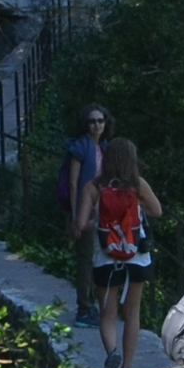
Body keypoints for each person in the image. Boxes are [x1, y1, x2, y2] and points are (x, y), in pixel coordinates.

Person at [87, 138, 164, 368]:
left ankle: (112, 355)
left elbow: (81, 222)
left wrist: (98, 222)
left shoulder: (94, 187)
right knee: (133, 312)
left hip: (105, 257)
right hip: (136, 256)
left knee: (107, 313)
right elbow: (157, 211)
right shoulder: (137, 185)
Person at [59, 106, 112, 325]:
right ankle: (84, 309)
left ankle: (92, 305)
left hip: (101, 210)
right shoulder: (80, 147)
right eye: (92, 121)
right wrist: (75, 215)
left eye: (100, 121)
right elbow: (73, 182)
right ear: (85, 124)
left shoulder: (103, 146)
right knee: (86, 258)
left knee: (97, 258)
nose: (97, 125)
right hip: (85, 209)